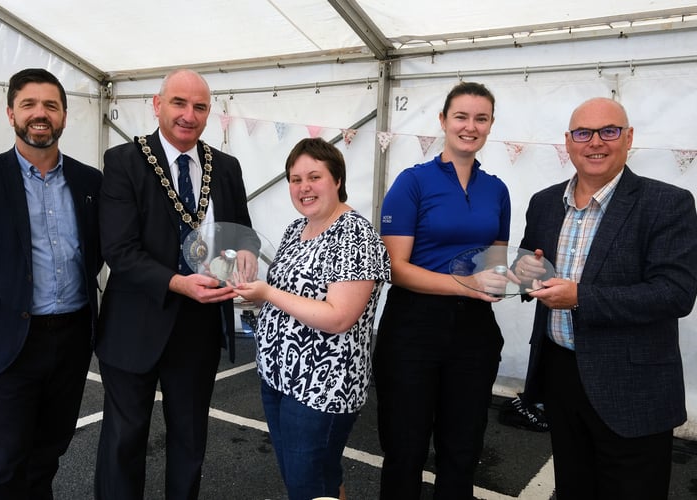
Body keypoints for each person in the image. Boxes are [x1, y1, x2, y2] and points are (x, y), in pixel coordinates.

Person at [515, 97, 697, 499]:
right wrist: (525, 274)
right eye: (583, 133)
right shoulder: (545, 202)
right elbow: (530, 262)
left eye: (608, 131)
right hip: (561, 376)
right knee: (573, 488)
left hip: (632, 383)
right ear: (568, 141)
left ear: (628, 137)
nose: (595, 142)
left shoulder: (667, 202)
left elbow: (675, 293)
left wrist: (581, 297)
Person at [94, 69, 254, 499]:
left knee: (190, 442)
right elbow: (119, 250)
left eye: (199, 106)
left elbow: (241, 230)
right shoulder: (124, 162)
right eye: (179, 103)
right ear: (157, 104)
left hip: (199, 327)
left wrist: (246, 255)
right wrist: (179, 283)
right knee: (124, 442)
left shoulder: (225, 166)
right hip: (135, 324)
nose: (189, 115)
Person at [0, 68, 103, 499]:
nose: (40, 114)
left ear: (65, 117)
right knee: (4, 464)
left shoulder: (90, 182)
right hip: (8, 344)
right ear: (10, 112)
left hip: (71, 342)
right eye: (29, 104)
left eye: (51, 105)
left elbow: (98, 251)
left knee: (47, 456)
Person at [374, 81, 511, 499]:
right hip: (413, 326)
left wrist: (516, 275)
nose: (471, 126)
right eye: (461, 116)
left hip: (474, 330)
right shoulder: (412, 182)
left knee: (463, 447)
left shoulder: (497, 190)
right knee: (406, 448)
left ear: (489, 125)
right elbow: (395, 268)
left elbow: (496, 264)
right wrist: (464, 284)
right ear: (443, 122)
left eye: (481, 118)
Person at [234, 138, 390, 500]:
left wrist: (266, 293)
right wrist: (251, 293)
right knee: (314, 476)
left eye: (314, 176)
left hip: (322, 385)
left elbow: (339, 318)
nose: (303, 187)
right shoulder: (296, 229)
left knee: (307, 484)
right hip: (278, 375)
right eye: (295, 178)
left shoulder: (355, 236)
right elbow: (289, 297)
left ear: (337, 179)